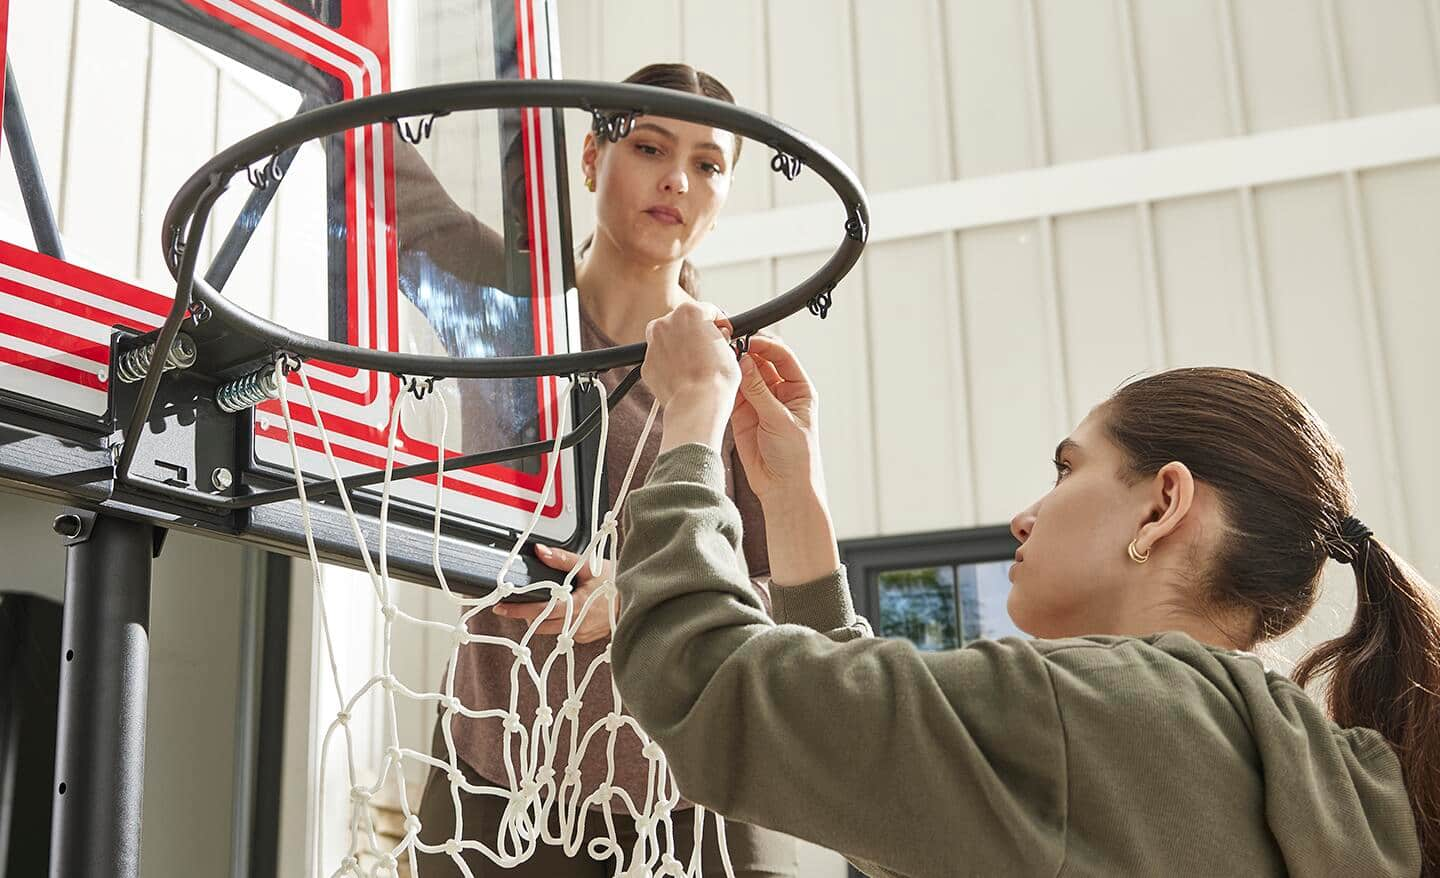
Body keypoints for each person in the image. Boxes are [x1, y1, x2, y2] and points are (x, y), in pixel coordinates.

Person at [611, 301, 1438, 877]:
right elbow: (881, 779)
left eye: (1067, 469)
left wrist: (692, 412)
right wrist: (792, 498)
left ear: (1163, 504)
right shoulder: (1323, 773)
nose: (1025, 515)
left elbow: (703, 681)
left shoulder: (1103, 712)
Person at [410, 65, 799, 877]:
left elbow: (779, 593)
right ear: (590, 158)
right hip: (503, 768)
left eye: (708, 163)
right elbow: (377, 183)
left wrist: (638, 598)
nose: (677, 180)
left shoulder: (733, 375)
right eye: (650, 146)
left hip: (689, 792)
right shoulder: (507, 309)